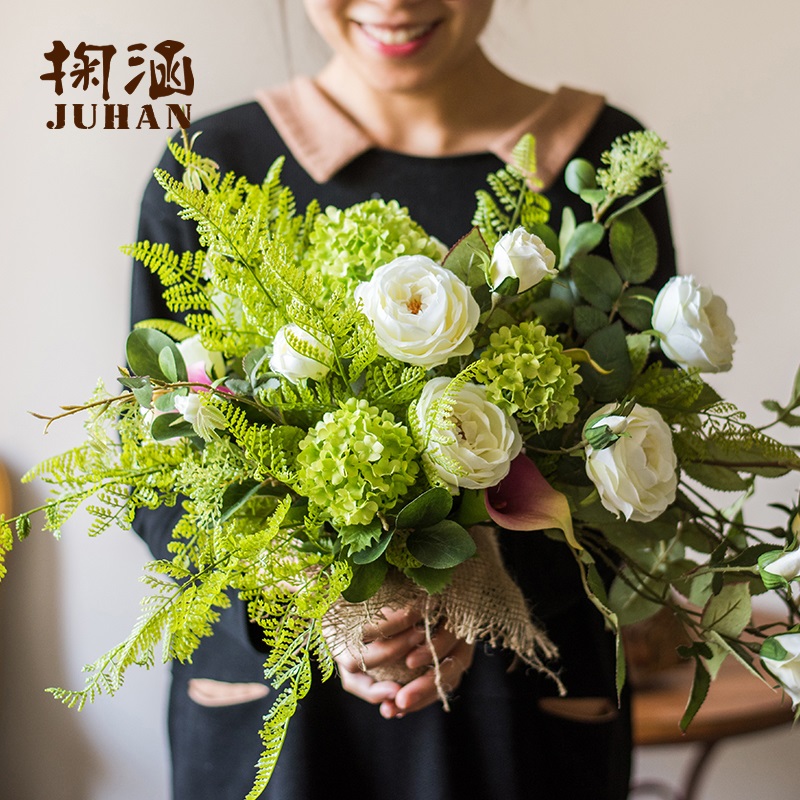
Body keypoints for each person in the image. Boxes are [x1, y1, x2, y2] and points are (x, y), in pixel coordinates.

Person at [131, 2, 676, 798]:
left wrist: (474, 594)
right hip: (283, 730)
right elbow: (156, 474)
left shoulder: (600, 166)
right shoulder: (212, 167)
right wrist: (315, 607)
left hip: (519, 720)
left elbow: (644, 458)